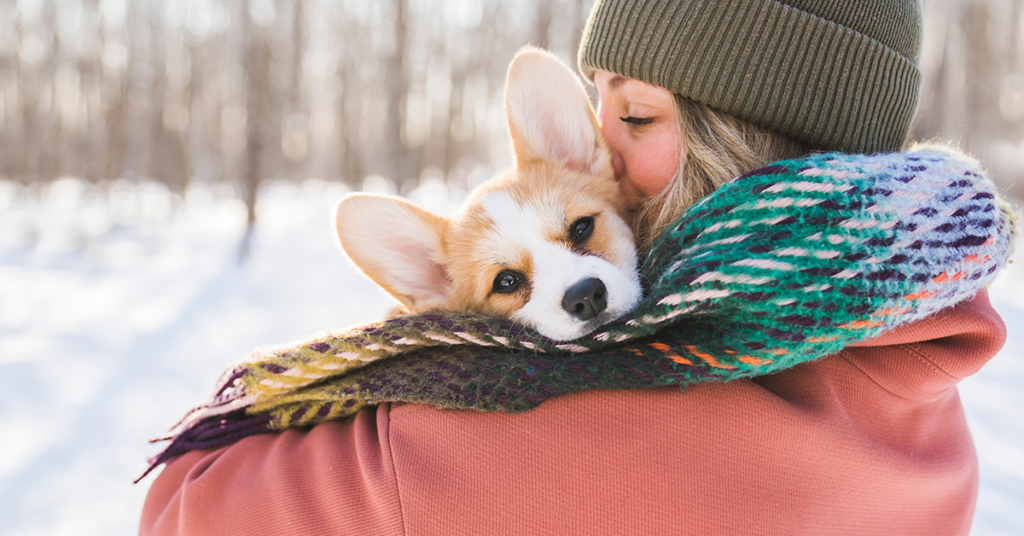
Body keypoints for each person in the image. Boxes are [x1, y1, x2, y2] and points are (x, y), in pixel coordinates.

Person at [139, 1, 1010, 534]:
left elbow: (187, 504)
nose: (606, 155)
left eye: (634, 116)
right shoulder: (926, 394)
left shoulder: (554, 439)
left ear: (738, 132)